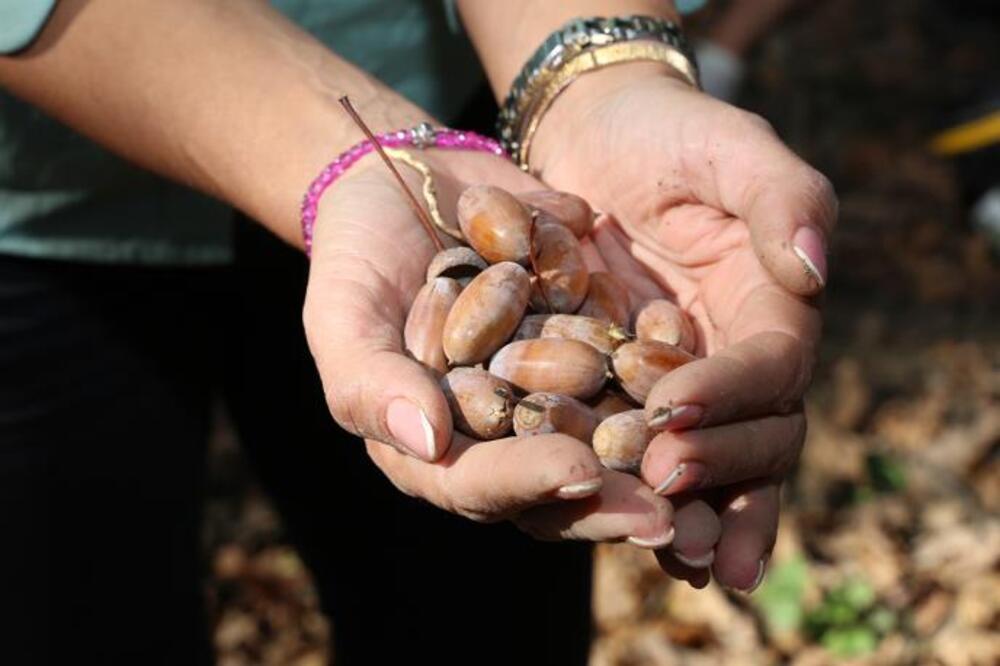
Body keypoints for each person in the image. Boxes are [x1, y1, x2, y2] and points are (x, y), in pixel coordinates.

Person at [0, 1, 835, 663]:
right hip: (41, 216)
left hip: (461, 140)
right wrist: (353, 157)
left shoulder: (533, 287)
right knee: (79, 616)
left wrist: (599, 79)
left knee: (468, 624)